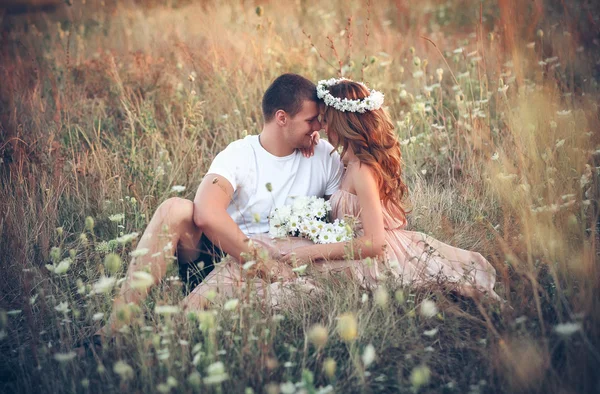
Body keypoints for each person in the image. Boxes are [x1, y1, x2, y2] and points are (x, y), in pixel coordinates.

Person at [184, 78, 500, 310]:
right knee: (262, 249)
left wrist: (309, 252)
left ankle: (198, 307)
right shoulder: (345, 158)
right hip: (343, 246)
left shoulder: (361, 169)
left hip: (371, 257)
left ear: (341, 122)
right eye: (313, 121)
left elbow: (375, 243)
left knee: (273, 264)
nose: (318, 128)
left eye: (323, 120)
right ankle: (196, 304)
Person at [100, 73, 344, 333]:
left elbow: (342, 223)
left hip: (290, 264)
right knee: (175, 209)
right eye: (310, 121)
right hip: (226, 259)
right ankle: (113, 329)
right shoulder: (240, 154)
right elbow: (205, 213)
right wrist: (265, 265)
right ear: (282, 118)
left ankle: (188, 320)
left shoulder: (324, 156)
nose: (318, 128)